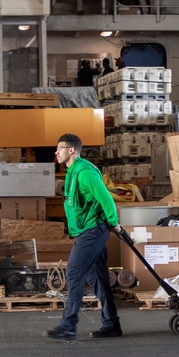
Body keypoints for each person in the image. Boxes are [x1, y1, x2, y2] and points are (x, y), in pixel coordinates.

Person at [46, 133, 123, 341]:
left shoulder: (84, 173)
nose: (56, 152)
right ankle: (112, 324)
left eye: (59, 148)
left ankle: (68, 326)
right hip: (86, 231)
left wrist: (114, 223)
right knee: (97, 278)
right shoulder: (72, 172)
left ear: (71, 150)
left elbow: (105, 198)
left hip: (93, 231)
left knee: (73, 273)